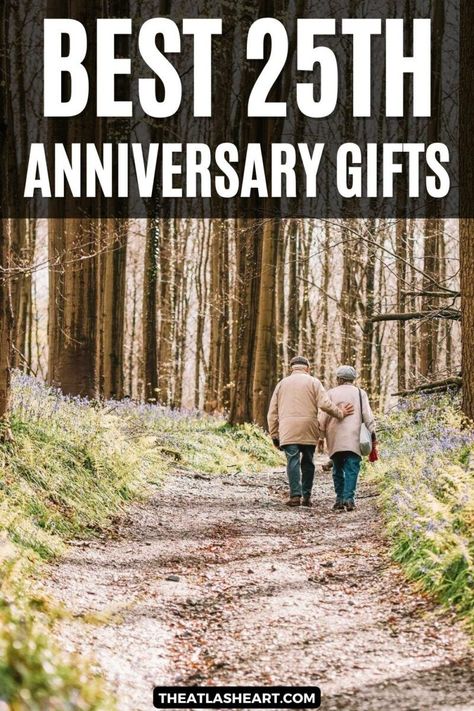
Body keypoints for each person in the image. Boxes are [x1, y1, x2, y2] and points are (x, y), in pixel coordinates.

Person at [267, 356, 355, 508]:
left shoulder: (282, 384)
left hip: (288, 428)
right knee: (308, 461)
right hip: (308, 427)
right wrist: (339, 413)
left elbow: (272, 413)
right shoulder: (314, 382)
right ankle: (307, 497)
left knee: (292, 461)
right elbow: (325, 404)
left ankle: (295, 496)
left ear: (291, 368)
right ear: (307, 368)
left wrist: (274, 434)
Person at [318, 365, 376, 512]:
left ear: (340, 379)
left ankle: (339, 499)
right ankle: (349, 499)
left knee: (337, 468)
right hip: (354, 437)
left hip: (335, 437)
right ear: (352, 379)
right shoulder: (360, 393)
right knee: (352, 468)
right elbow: (367, 415)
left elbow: (323, 416)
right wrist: (372, 430)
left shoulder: (331, 393)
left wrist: (321, 434)